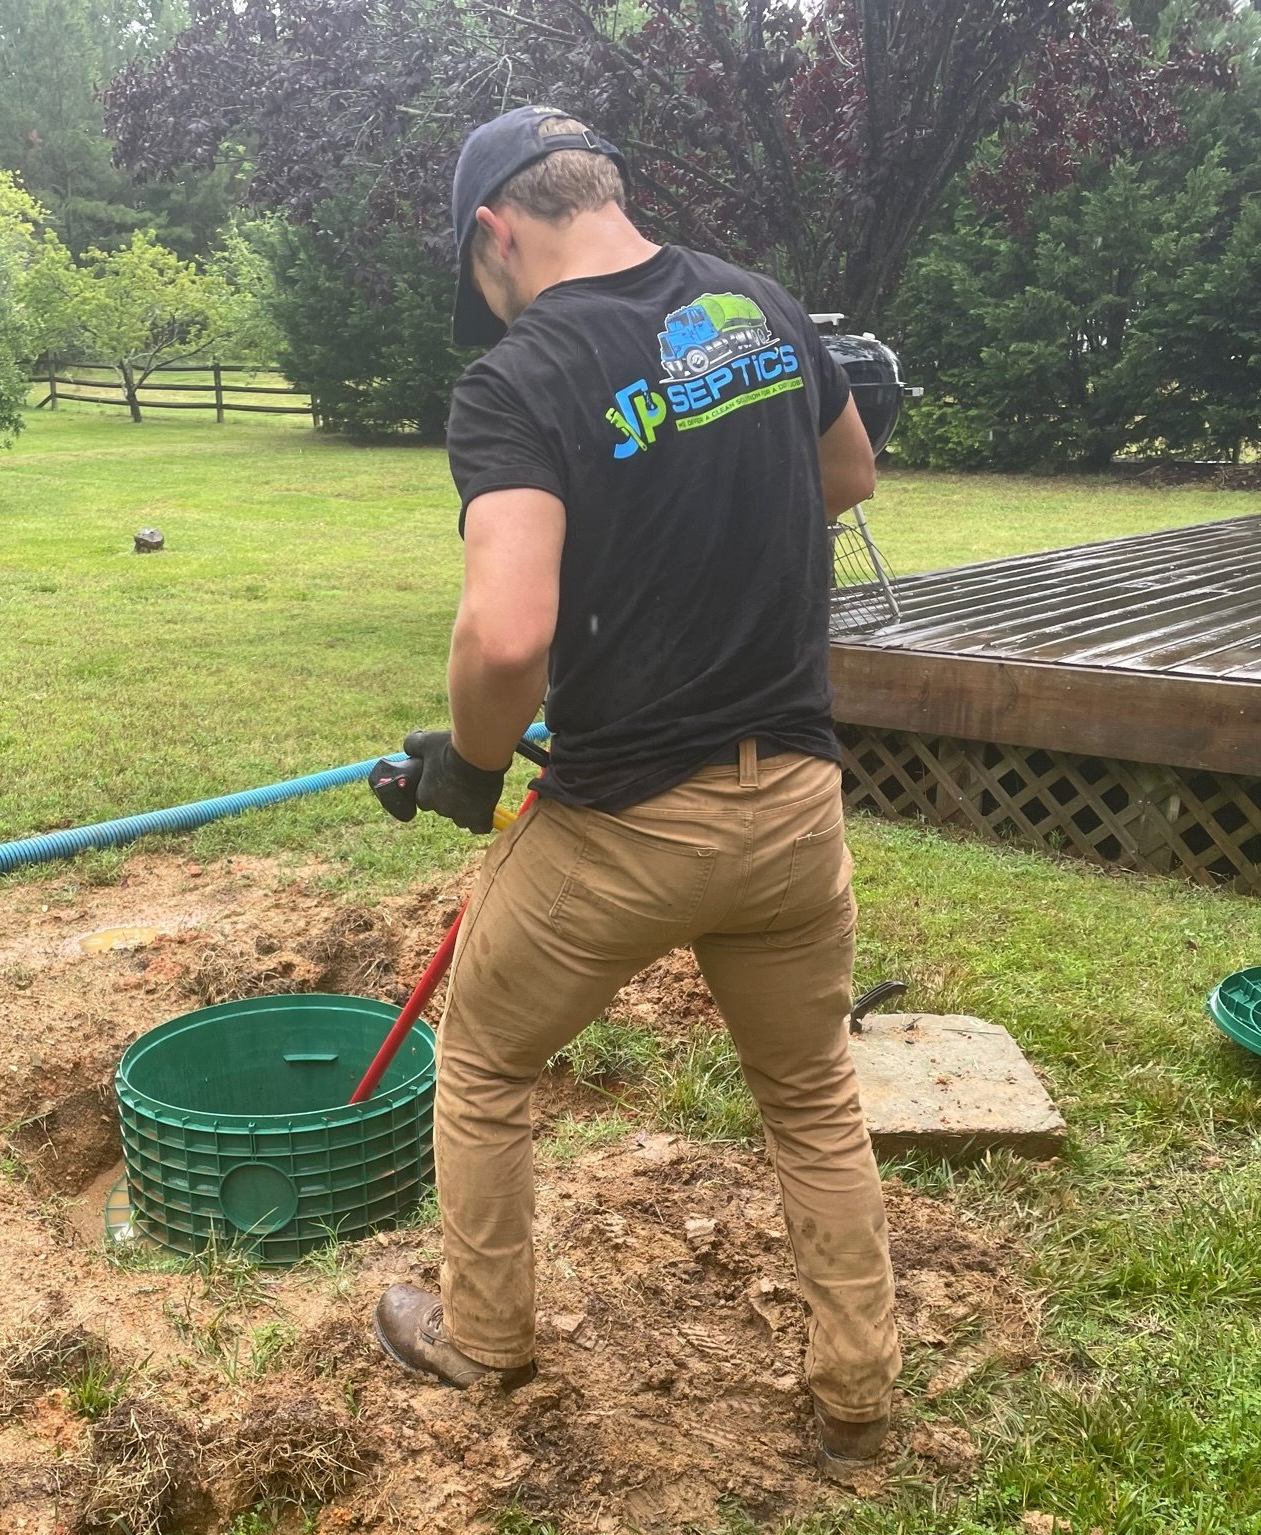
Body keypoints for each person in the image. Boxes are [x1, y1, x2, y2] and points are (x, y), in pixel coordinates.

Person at [372, 104, 900, 1477]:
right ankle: (857, 1391)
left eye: (473, 276)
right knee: (812, 1096)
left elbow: (501, 636)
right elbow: (846, 469)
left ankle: (487, 1341)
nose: (482, 304)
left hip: (625, 824)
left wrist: (474, 768)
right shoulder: (763, 307)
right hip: (792, 807)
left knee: (483, 1061)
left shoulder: (521, 379)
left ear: (497, 230)